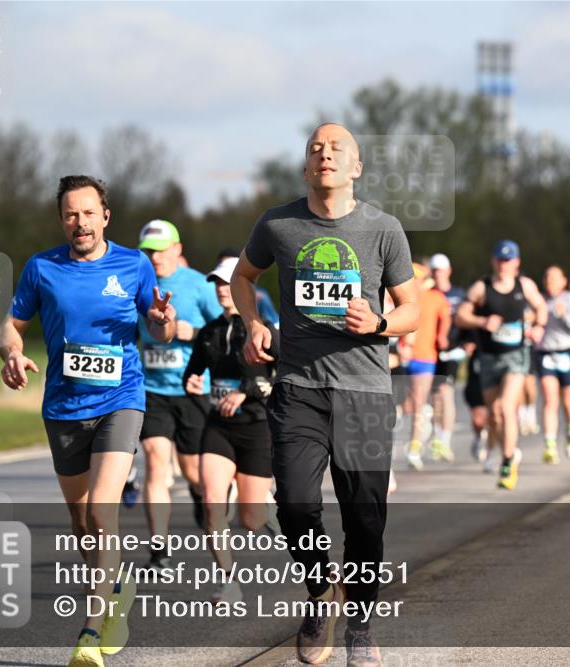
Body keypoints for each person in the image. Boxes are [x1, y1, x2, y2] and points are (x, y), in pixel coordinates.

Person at [232, 123, 419, 666]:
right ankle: (320, 593)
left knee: (365, 515)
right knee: (293, 504)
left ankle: (360, 620)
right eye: (315, 148)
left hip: (364, 390)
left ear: (356, 167)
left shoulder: (384, 230)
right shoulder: (278, 224)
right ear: (305, 167)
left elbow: (413, 310)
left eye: (337, 149)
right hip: (298, 387)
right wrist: (253, 324)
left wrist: (379, 322)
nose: (325, 154)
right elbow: (243, 278)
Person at [0, 175, 177, 666]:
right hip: (62, 407)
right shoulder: (42, 268)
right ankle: (115, 584)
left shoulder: (133, 264)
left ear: (105, 216)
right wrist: (11, 352)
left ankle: (92, 629)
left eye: (88, 212)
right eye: (71, 214)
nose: (80, 222)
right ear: (63, 220)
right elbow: (10, 327)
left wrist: (162, 320)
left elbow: (161, 327)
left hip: (121, 398)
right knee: (81, 521)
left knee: (102, 510)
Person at [182, 256, 279, 606]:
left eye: (228, 283)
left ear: (245, 287)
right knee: (212, 503)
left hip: (256, 428)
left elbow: (283, 377)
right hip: (218, 428)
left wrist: (246, 392)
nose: (222, 290)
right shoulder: (209, 332)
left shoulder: (265, 329)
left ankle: (281, 522)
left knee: (252, 520)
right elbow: (193, 372)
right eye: (218, 284)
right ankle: (229, 582)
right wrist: (191, 382)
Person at [135, 219, 222, 568]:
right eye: (147, 252)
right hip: (150, 388)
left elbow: (224, 330)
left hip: (190, 389)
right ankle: (159, 549)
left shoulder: (198, 284)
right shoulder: (135, 283)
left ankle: (201, 498)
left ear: (177, 249)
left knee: (193, 473)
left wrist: (192, 331)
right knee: (156, 462)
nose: (154, 258)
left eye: (159, 251)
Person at [456, 240, 548, 490]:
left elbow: (541, 307)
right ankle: (498, 448)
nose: (503, 265)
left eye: (508, 260)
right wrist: (482, 321)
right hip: (488, 357)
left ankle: (508, 461)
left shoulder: (525, 286)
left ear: (517, 262)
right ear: (493, 261)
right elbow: (461, 316)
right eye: (500, 259)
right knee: (493, 413)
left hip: (516, 356)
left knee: (507, 407)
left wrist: (539, 327)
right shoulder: (481, 287)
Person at [536, 266, 570, 464]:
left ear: (564, 281)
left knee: (567, 400)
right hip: (545, 353)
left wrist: (564, 315)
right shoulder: (539, 300)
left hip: (566, 352)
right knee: (550, 399)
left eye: (555, 278)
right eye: (548, 278)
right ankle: (550, 445)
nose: (551, 282)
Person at [404, 262, 452, 470]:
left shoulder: (434, 298)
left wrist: (442, 335)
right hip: (401, 357)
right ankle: (424, 416)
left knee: (416, 403)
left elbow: (447, 316)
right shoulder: (399, 296)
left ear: (424, 279)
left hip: (425, 357)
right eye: (411, 278)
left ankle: (414, 449)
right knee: (406, 406)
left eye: (417, 278)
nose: (414, 282)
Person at [427, 253, 468, 465]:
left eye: (441, 270)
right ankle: (437, 436)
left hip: (451, 350)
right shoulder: (427, 294)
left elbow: (467, 319)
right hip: (429, 350)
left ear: (449, 271)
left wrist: (468, 342)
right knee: (435, 396)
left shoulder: (459, 294)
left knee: (445, 392)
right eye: (434, 270)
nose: (438, 274)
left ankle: (445, 440)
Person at [217, 247, 280, 326]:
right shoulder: (210, 330)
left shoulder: (260, 296)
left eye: (226, 282)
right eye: (218, 282)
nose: (221, 289)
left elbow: (276, 323)